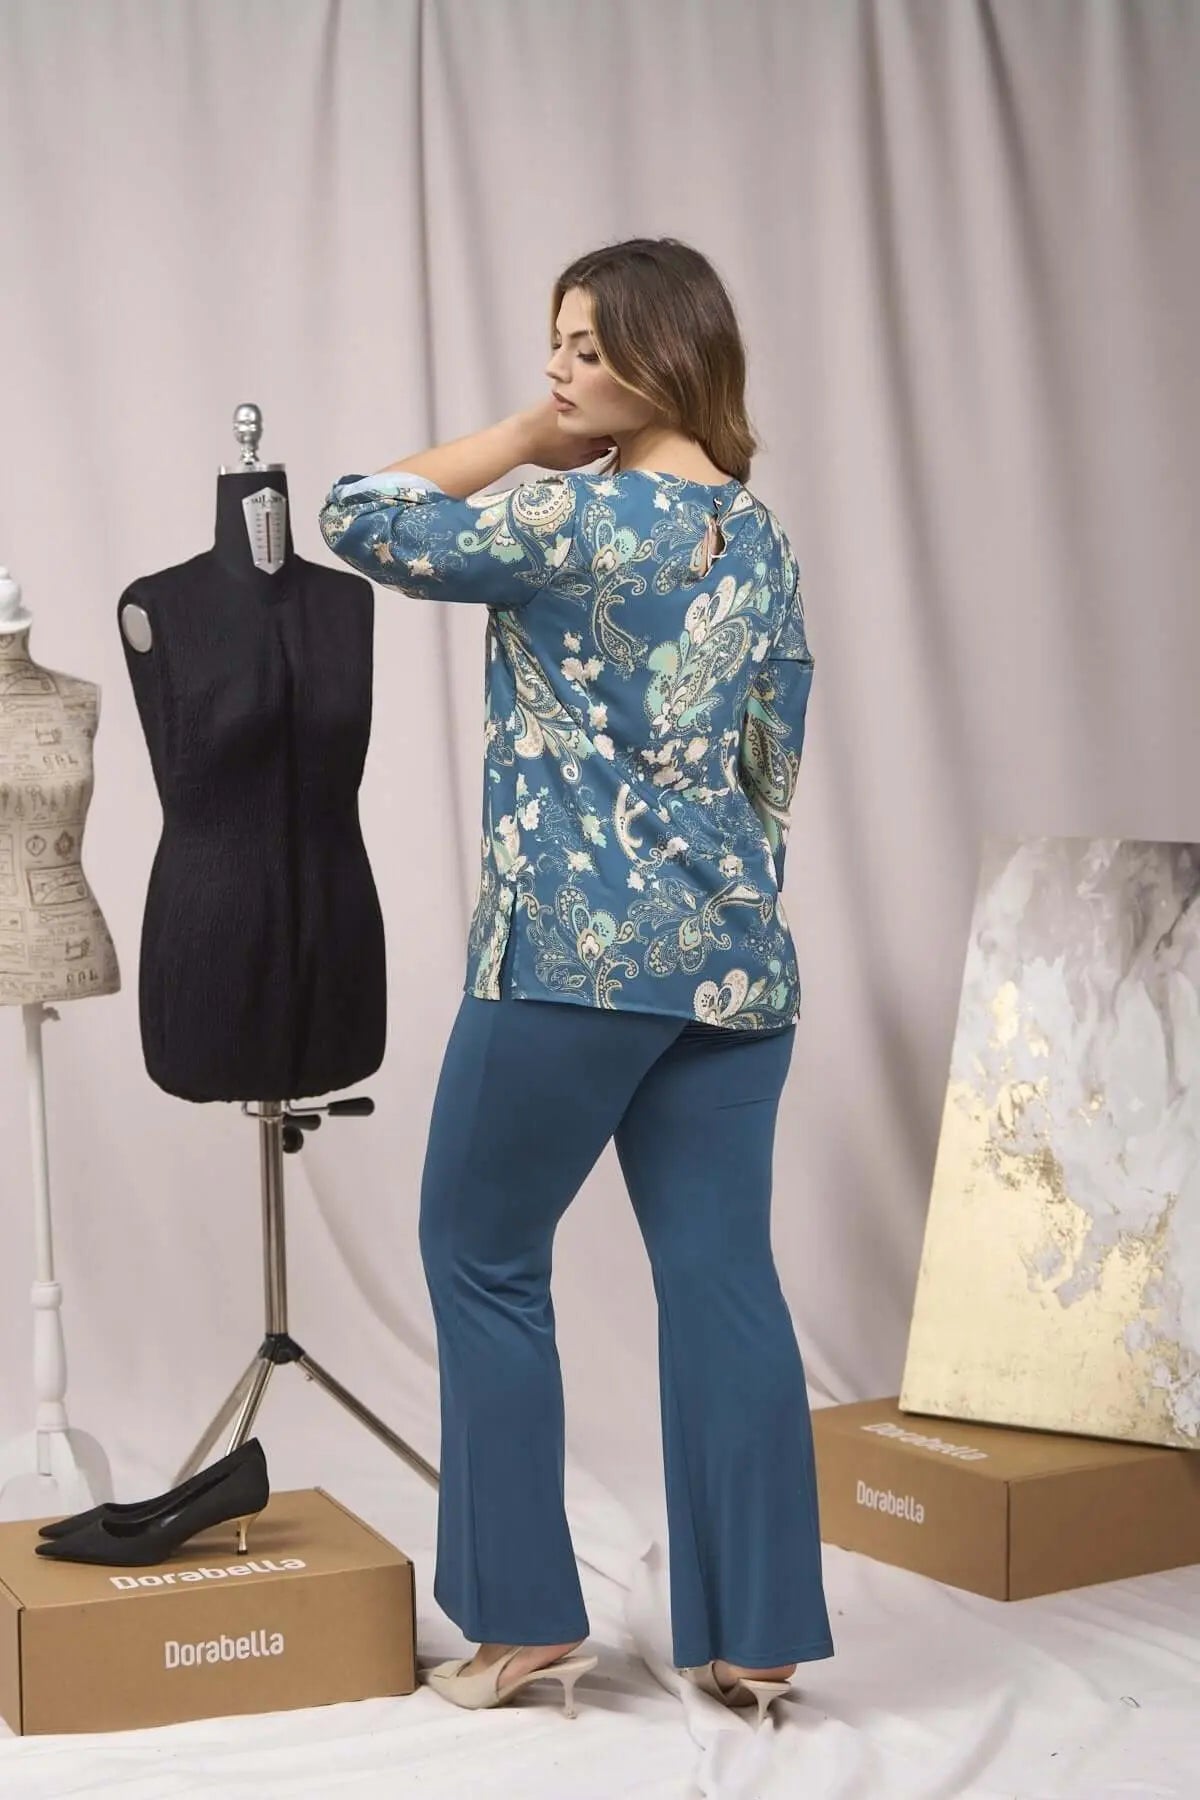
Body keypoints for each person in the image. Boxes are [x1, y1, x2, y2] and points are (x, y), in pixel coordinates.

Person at [318, 236, 833, 1719]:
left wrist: (525, 439)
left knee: (481, 1253)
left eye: (588, 348)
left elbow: (361, 515)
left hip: (566, 957)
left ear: (663, 359)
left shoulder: (571, 513)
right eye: (553, 345)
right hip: (734, 970)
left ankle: (521, 1620)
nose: (557, 371)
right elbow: (772, 759)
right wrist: (713, 898)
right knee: (723, 1276)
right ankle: (756, 1638)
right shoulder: (760, 539)